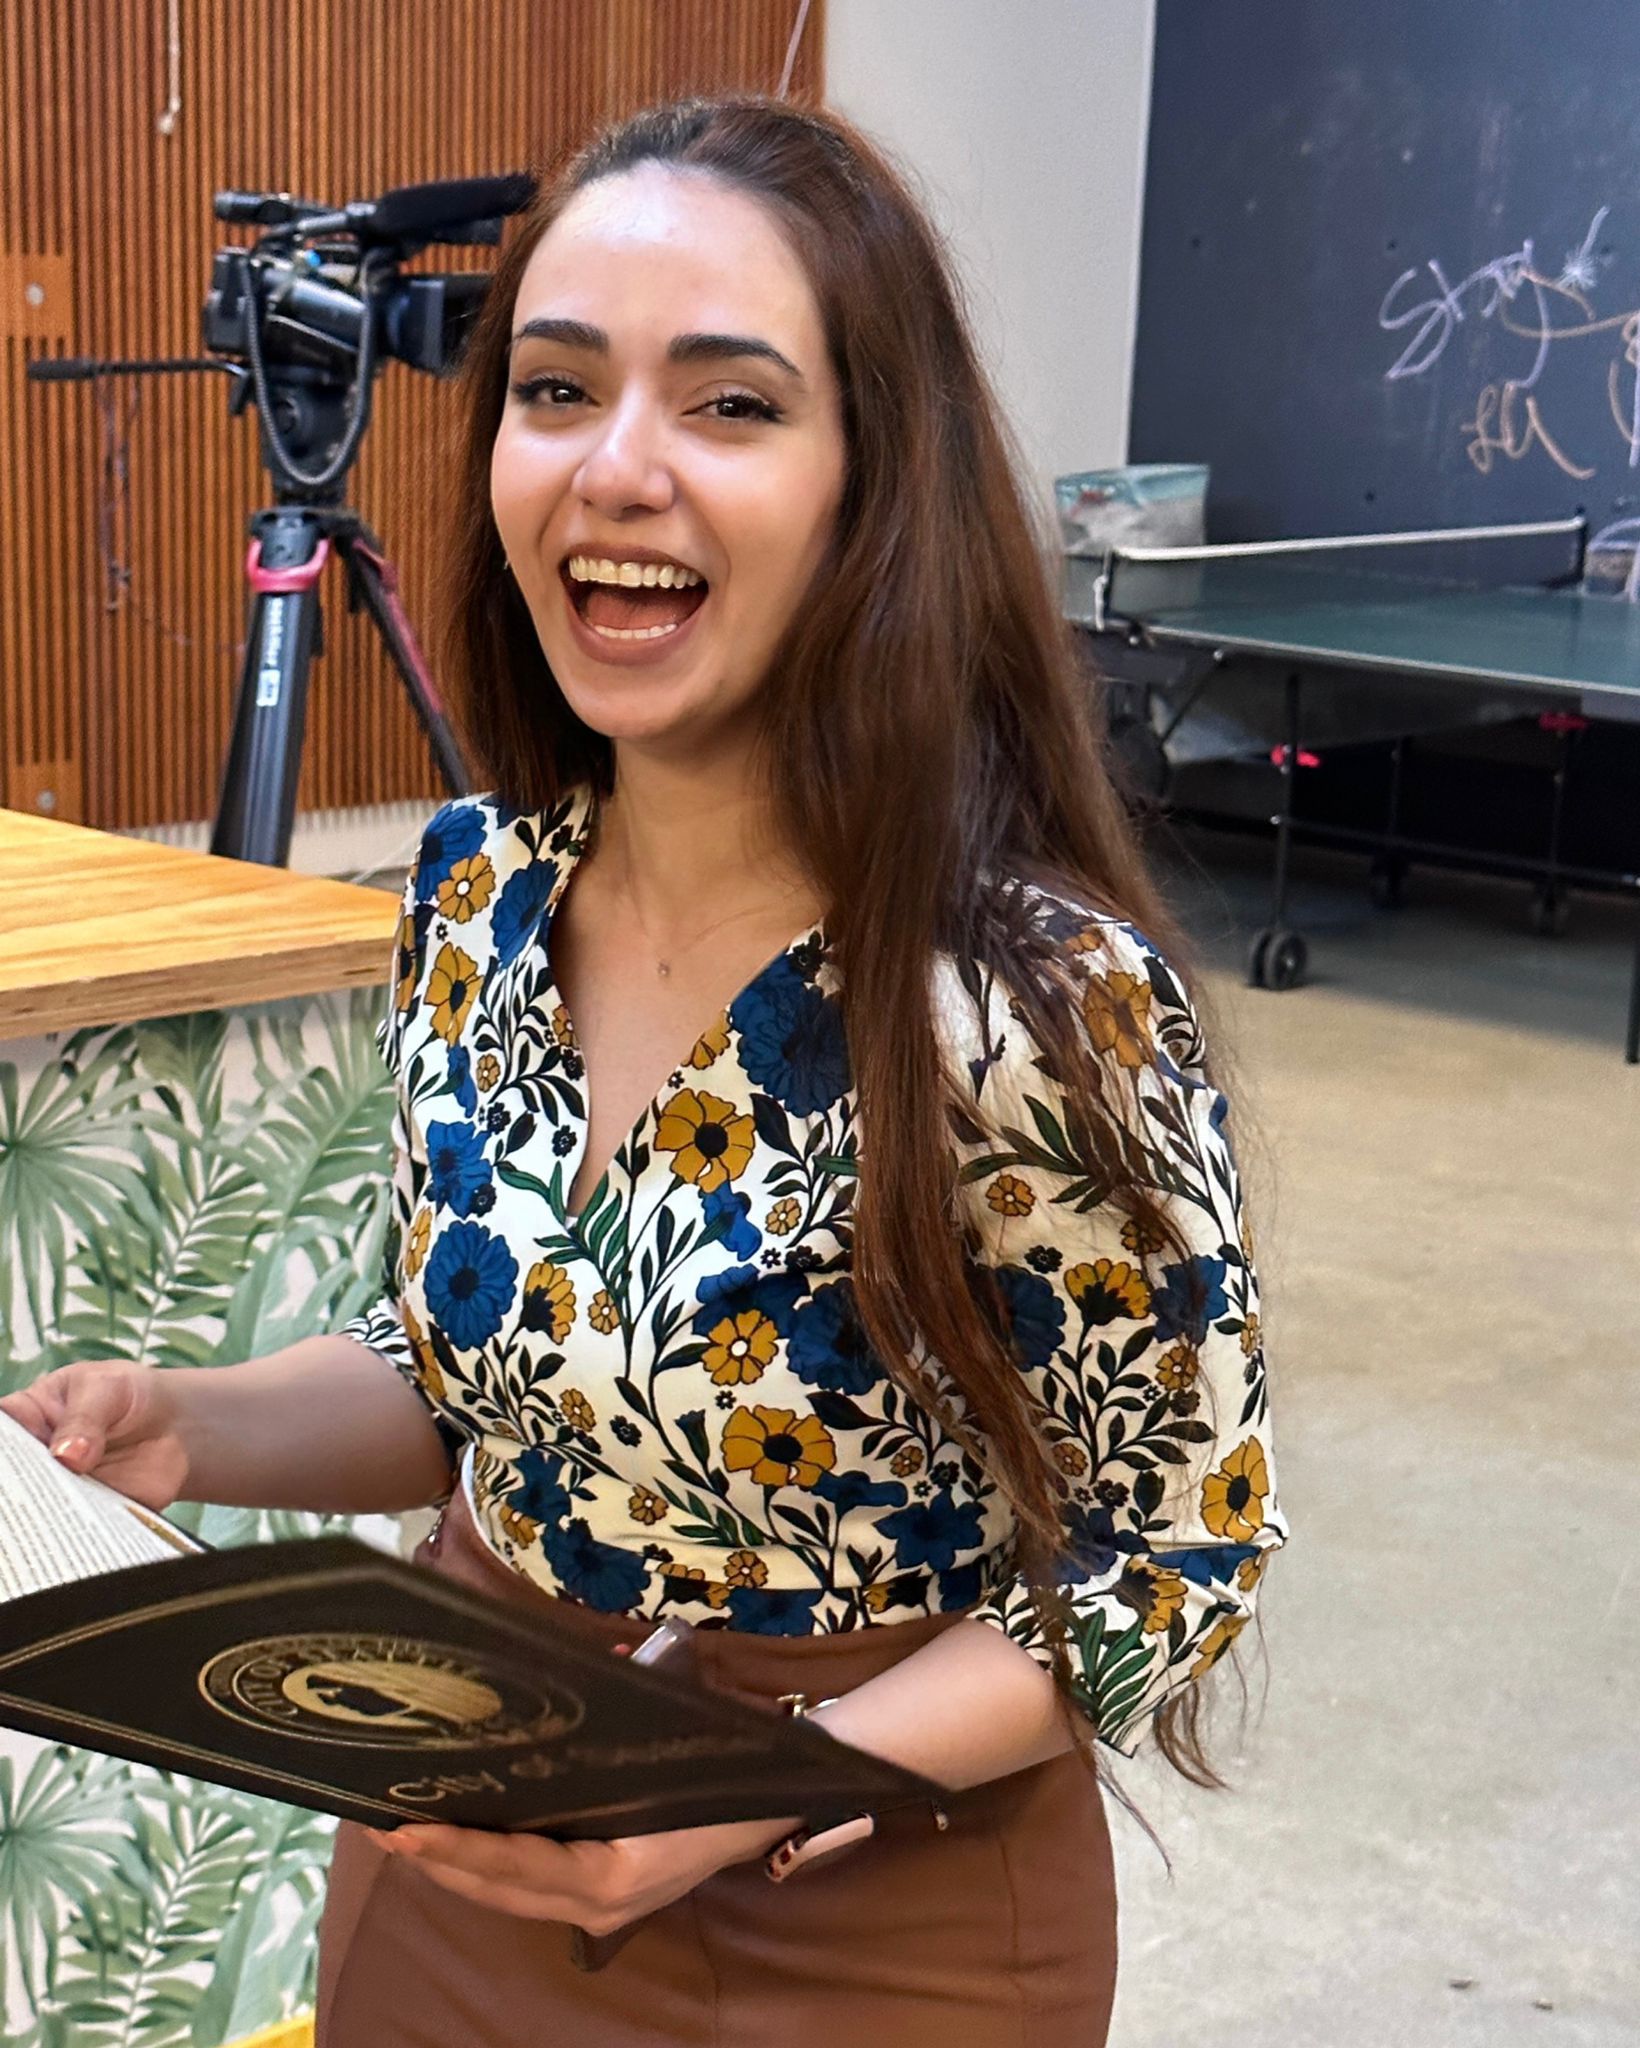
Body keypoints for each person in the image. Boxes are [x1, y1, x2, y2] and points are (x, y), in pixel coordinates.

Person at [2, 93, 1287, 2047]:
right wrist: (183, 1425)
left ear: (873, 476)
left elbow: (1170, 1550)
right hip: (463, 1839)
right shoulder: (474, 899)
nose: (616, 470)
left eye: (729, 404)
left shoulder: (1030, 998)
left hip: (867, 1899)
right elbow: (475, 1381)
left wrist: (758, 1782)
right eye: (554, 388)